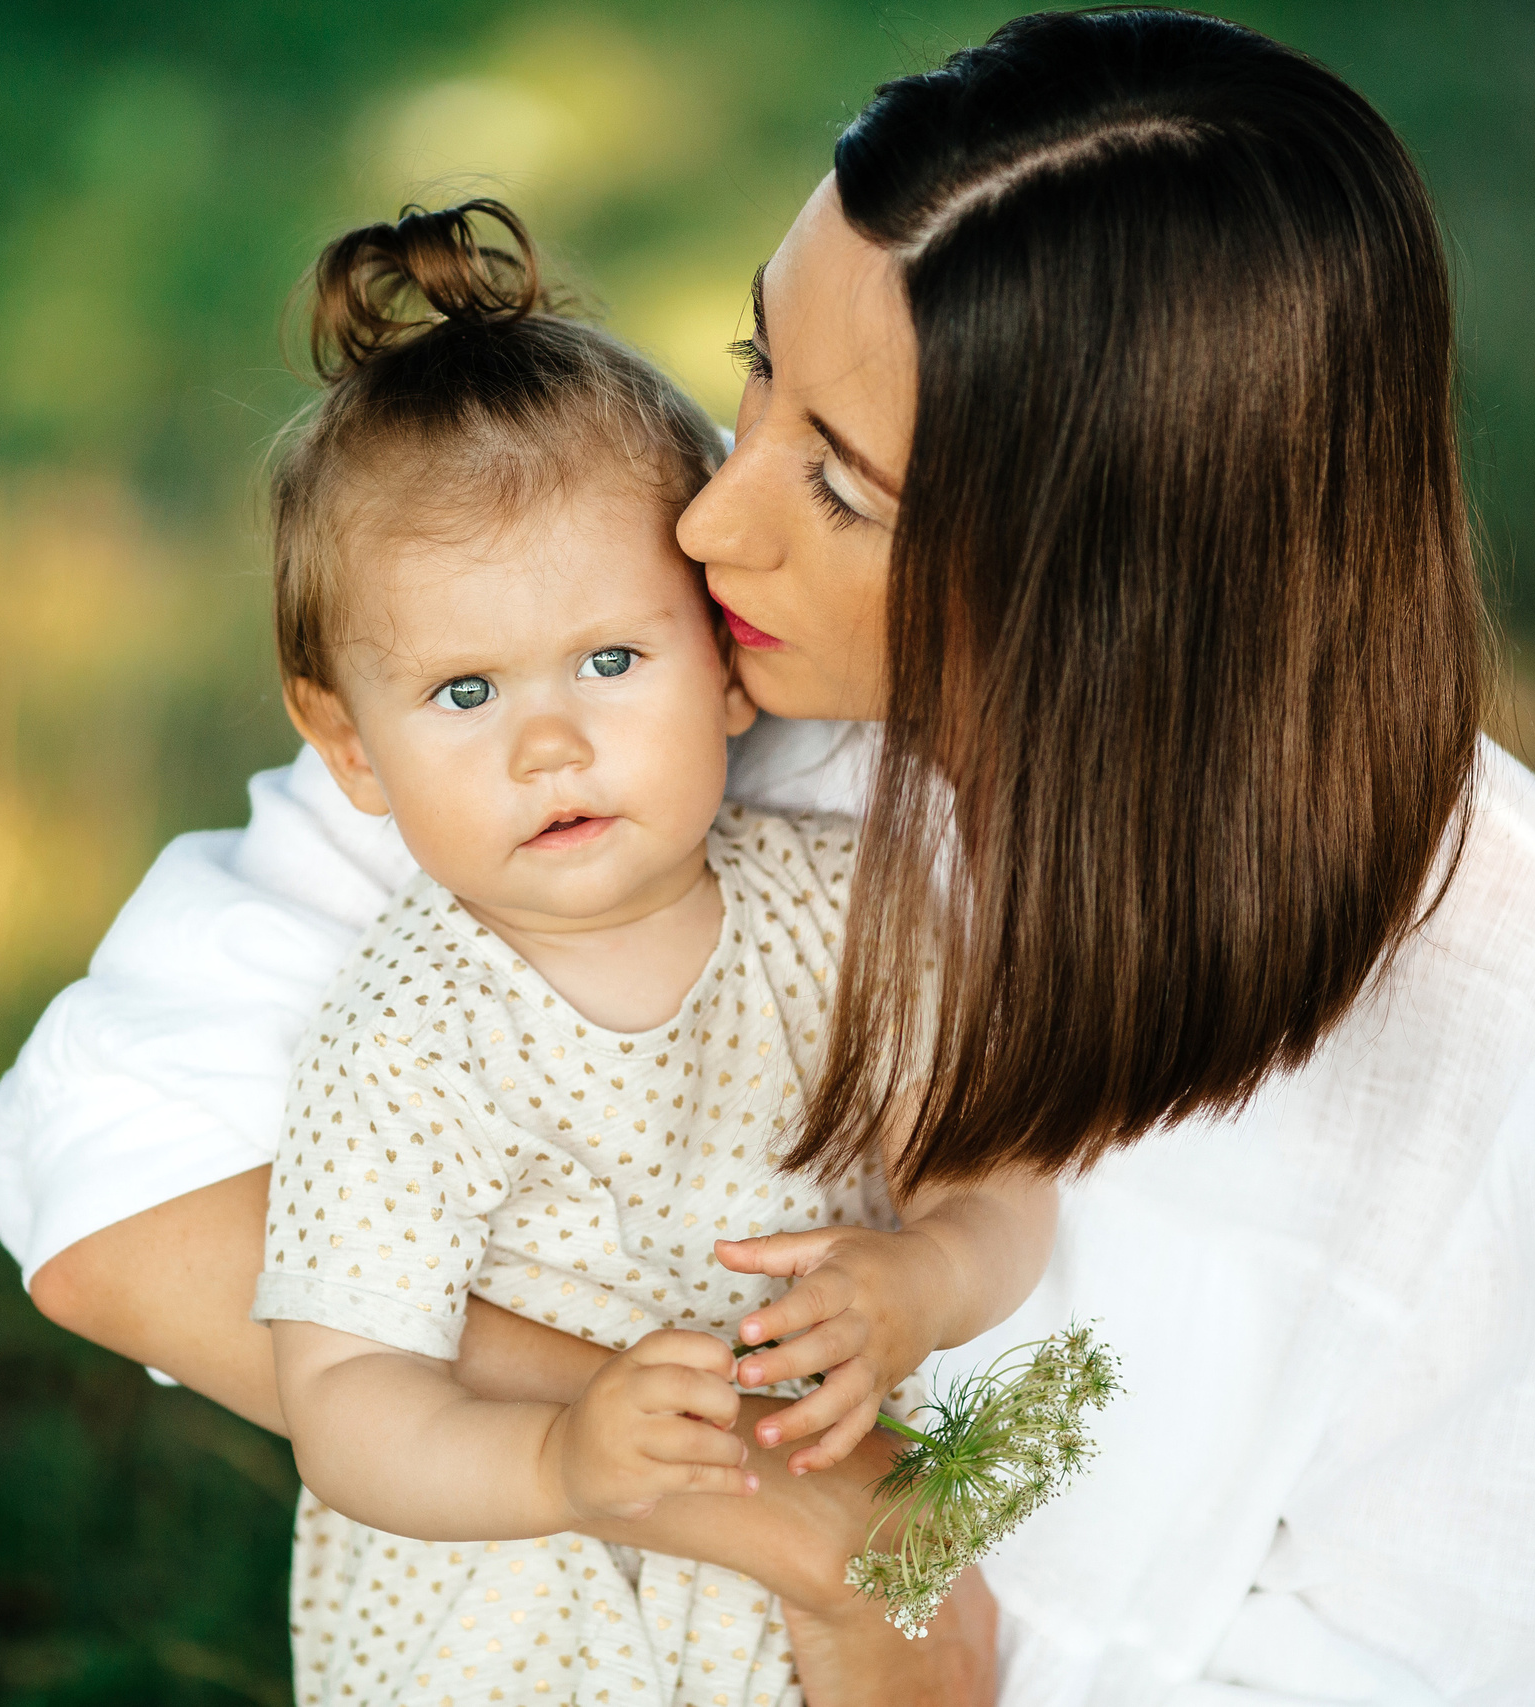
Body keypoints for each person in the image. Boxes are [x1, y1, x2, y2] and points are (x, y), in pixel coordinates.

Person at [0, 11, 1535, 1703]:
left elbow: (1499, 1668)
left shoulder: (1514, 1041)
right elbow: (117, 1186)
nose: (707, 514)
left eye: (841, 486)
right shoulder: (635, 689)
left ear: (1110, 588)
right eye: (758, 368)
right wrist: (805, 1511)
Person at [244, 200, 1056, 1707]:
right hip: (509, 1624)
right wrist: (560, 1460)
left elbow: (996, 1181)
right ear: (349, 742)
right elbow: (348, 1398)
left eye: (612, 661)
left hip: (772, 1633)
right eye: (467, 691)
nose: (551, 743)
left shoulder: (842, 917)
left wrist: (921, 1284)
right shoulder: (409, 1030)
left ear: (728, 666)